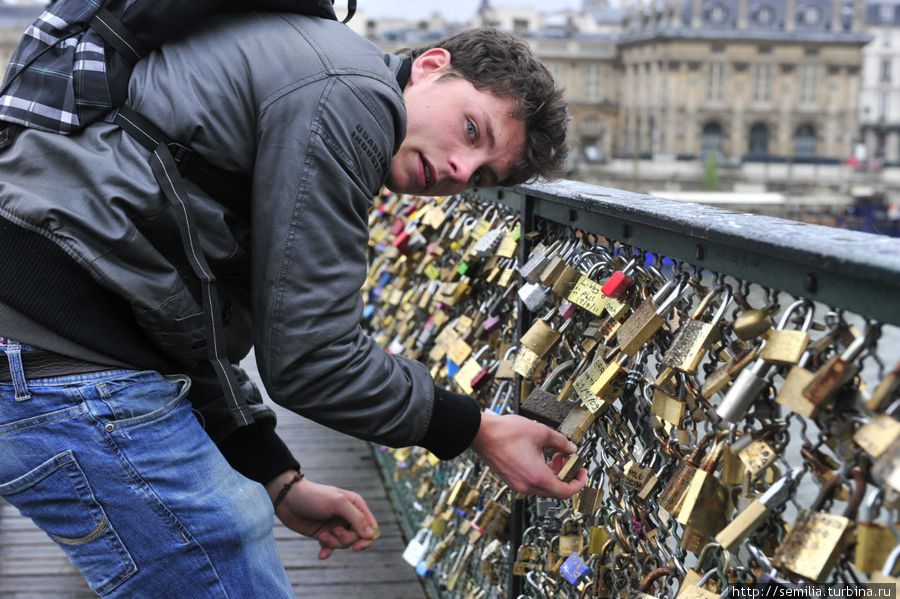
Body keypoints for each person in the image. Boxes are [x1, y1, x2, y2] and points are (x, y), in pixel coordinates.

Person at [0, 9, 579, 598]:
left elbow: (177, 305)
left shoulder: (312, 74)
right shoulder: (353, 97)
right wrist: (476, 428)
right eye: (472, 131)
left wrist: (273, 473)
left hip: (44, 342)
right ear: (431, 67)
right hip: (55, 365)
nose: (460, 169)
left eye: (481, 178)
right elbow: (313, 360)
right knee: (223, 553)